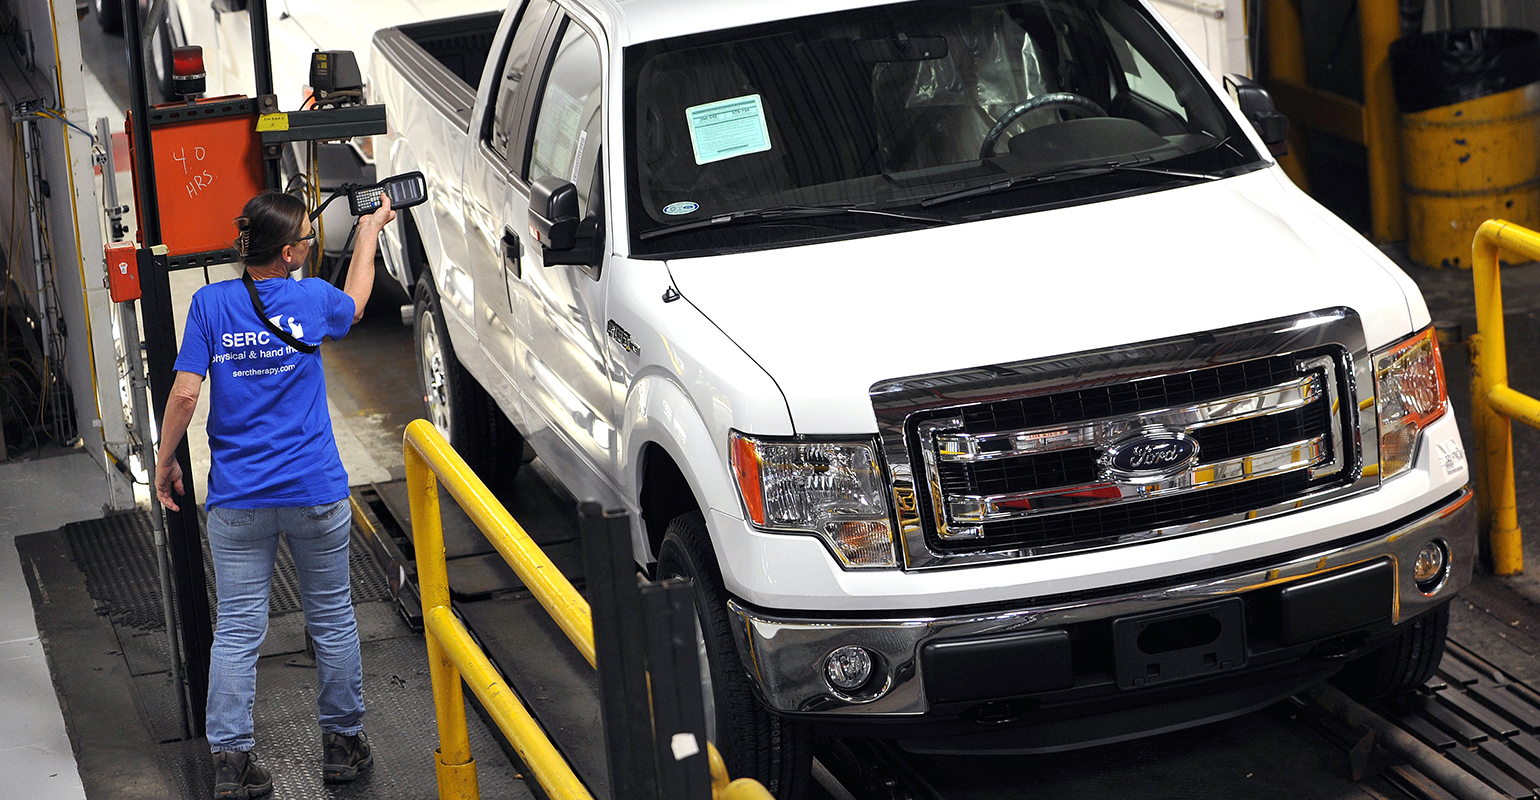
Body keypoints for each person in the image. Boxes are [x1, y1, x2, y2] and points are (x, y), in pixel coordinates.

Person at [154, 190, 396, 799]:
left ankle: (231, 762)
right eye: (306, 239)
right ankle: (341, 745)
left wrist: (165, 461)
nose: (310, 245)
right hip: (314, 491)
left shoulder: (209, 304)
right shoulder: (311, 299)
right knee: (332, 618)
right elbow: (356, 304)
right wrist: (370, 232)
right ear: (287, 254)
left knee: (238, 628)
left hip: (238, 500)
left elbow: (185, 394)